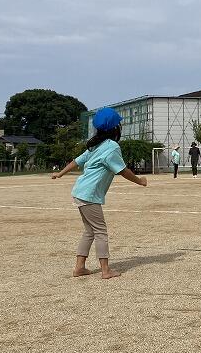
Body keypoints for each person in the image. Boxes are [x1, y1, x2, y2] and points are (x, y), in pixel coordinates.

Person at [52, 107, 147, 279]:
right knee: (100, 231)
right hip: (89, 195)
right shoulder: (111, 147)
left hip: (80, 192)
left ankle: (79, 267)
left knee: (89, 231)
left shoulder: (96, 145)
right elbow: (123, 170)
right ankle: (105, 270)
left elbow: (76, 161)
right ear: (115, 128)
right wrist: (140, 181)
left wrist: (60, 173)